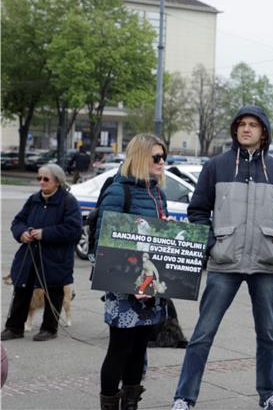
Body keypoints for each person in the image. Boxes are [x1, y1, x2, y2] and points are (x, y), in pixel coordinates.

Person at [172, 106, 273, 410]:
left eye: (253, 125)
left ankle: (269, 395)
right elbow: (197, 210)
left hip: (266, 263)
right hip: (224, 262)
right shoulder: (216, 166)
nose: (246, 129)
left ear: (263, 131)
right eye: (241, 124)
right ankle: (184, 397)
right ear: (235, 130)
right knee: (203, 333)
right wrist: (212, 244)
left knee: (268, 335)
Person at [96, 133, 171, 410]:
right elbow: (106, 240)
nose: (162, 162)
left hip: (150, 285)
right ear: (140, 158)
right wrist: (132, 283)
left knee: (140, 347)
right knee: (120, 348)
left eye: (164, 156)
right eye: (156, 157)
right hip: (124, 284)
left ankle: (130, 403)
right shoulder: (119, 190)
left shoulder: (158, 193)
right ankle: (110, 404)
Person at [2, 164, 81, 343]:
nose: (42, 182)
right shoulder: (34, 199)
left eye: (46, 179)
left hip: (56, 256)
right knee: (22, 289)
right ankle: (14, 327)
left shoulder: (68, 201)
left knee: (54, 290)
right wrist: (21, 233)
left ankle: (49, 328)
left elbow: (74, 230)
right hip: (29, 253)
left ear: (58, 181)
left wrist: (46, 233)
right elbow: (18, 221)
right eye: (39, 178)